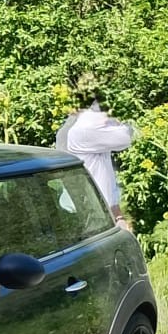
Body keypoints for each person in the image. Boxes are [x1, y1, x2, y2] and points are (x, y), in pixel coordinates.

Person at [54, 85, 135, 231]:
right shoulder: (84, 131)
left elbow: (104, 179)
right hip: (90, 216)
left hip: (95, 211)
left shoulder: (77, 129)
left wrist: (118, 216)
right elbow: (128, 137)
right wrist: (121, 124)